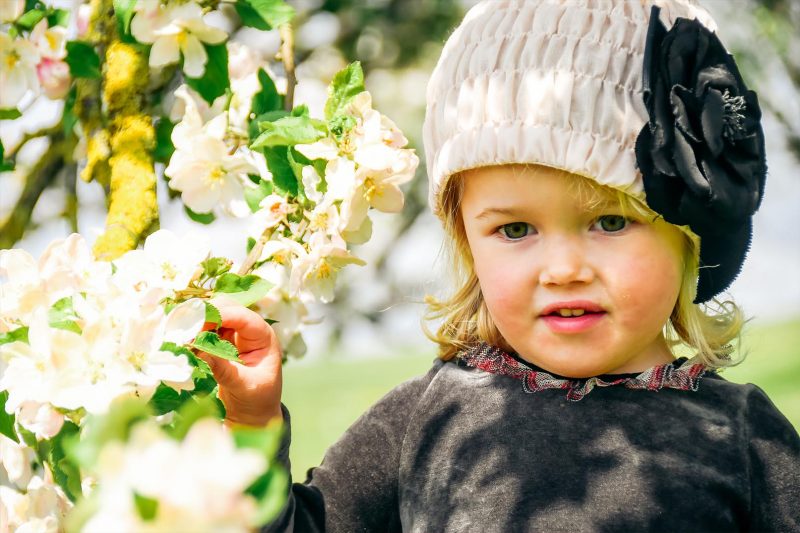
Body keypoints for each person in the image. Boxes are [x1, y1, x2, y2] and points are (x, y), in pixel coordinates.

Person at [194, 0, 800, 531]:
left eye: (611, 222)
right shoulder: (430, 416)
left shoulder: (742, 438)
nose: (562, 269)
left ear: (688, 234)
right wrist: (253, 426)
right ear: (468, 243)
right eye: (515, 230)